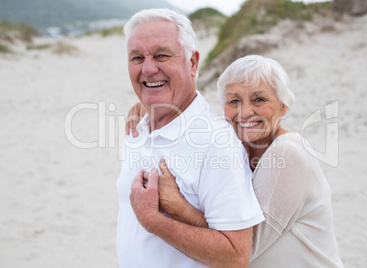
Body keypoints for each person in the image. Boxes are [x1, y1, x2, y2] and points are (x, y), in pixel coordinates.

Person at [127, 55, 344, 267]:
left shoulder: (287, 154)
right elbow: (198, 120)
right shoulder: (235, 142)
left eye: (259, 99)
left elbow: (240, 251)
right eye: (234, 101)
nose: (246, 112)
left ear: (283, 107)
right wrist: (150, 109)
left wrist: (179, 210)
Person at [117, 9, 264, 268]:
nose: (148, 69)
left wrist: (155, 222)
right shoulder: (138, 127)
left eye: (162, 55)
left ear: (193, 63)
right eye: (137, 58)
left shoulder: (215, 142)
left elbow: (235, 255)